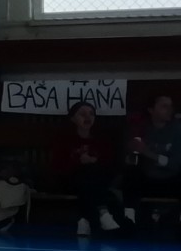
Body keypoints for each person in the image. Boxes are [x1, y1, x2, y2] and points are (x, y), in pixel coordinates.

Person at [49, 99, 122, 236]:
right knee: (86, 174)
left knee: (90, 175)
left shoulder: (101, 140)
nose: (88, 117)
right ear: (73, 118)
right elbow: (58, 166)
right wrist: (79, 162)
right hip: (70, 181)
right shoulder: (64, 140)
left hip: (97, 181)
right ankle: (103, 212)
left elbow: (110, 164)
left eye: (91, 114)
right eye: (82, 114)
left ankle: (84, 219)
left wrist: (94, 161)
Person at [122, 93, 178, 233]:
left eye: (170, 106)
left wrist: (148, 153)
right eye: (164, 106)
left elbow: (175, 163)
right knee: (131, 173)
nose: (169, 110)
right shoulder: (140, 129)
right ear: (151, 110)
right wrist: (130, 152)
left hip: (171, 180)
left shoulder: (177, 130)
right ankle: (128, 219)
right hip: (147, 179)